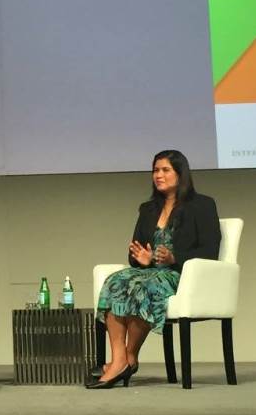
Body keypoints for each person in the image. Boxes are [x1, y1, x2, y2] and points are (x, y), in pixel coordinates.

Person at [88, 149, 221, 389]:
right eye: (155, 170)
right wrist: (143, 258)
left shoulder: (202, 205)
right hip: (150, 271)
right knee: (114, 281)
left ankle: (126, 359)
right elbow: (134, 251)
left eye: (165, 170)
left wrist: (174, 257)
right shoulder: (147, 209)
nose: (158, 175)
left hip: (182, 275)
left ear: (181, 174)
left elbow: (210, 251)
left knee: (145, 287)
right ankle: (121, 358)